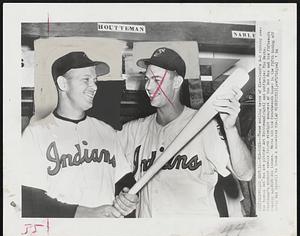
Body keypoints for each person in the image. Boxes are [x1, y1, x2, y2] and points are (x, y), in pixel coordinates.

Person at [117, 47, 254, 218]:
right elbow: (102, 168)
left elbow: (245, 173)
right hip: (150, 235)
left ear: (177, 82)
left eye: (156, 79)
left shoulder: (205, 126)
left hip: (194, 235)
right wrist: (123, 198)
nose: (148, 86)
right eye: (147, 79)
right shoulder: (134, 130)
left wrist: (230, 129)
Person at [19, 51, 138, 218]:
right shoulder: (36, 133)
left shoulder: (107, 131)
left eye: (95, 80)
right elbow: (28, 198)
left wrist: (129, 198)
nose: (94, 86)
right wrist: (84, 213)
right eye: (86, 80)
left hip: (106, 234)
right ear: (63, 84)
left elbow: (124, 181)